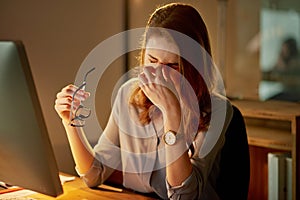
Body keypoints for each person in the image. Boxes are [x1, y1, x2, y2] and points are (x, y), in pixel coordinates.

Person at [55, 3, 233, 199]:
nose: (158, 74)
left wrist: (171, 114)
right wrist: (71, 122)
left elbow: (183, 195)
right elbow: (94, 175)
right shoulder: (128, 94)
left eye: (172, 66)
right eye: (152, 60)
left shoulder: (216, 109)